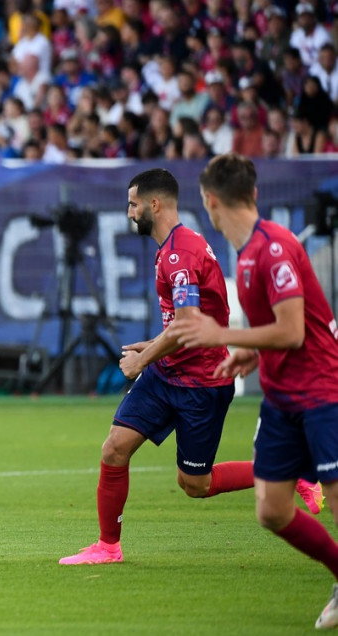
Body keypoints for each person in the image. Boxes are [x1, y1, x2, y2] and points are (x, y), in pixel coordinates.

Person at [58, 168, 321, 565]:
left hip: (202, 383)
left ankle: (292, 469)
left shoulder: (180, 253)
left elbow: (187, 322)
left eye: (132, 204)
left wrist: (140, 360)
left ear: (154, 204)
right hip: (167, 374)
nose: (129, 213)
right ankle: (108, 547)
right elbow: (184, 321)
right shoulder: (174, 247)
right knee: (114, 449)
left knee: (196, 484)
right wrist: (153, 347)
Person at [169, 154, 338, 629]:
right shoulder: (246, 257)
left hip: (321, 389)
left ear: (210, 201)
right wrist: (250, 353)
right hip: (282, 396)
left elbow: (292, 333)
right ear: (255, 193)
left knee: (336, 496)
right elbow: (276, 333)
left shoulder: (275, 248)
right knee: (272, 508)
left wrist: (223, 336)